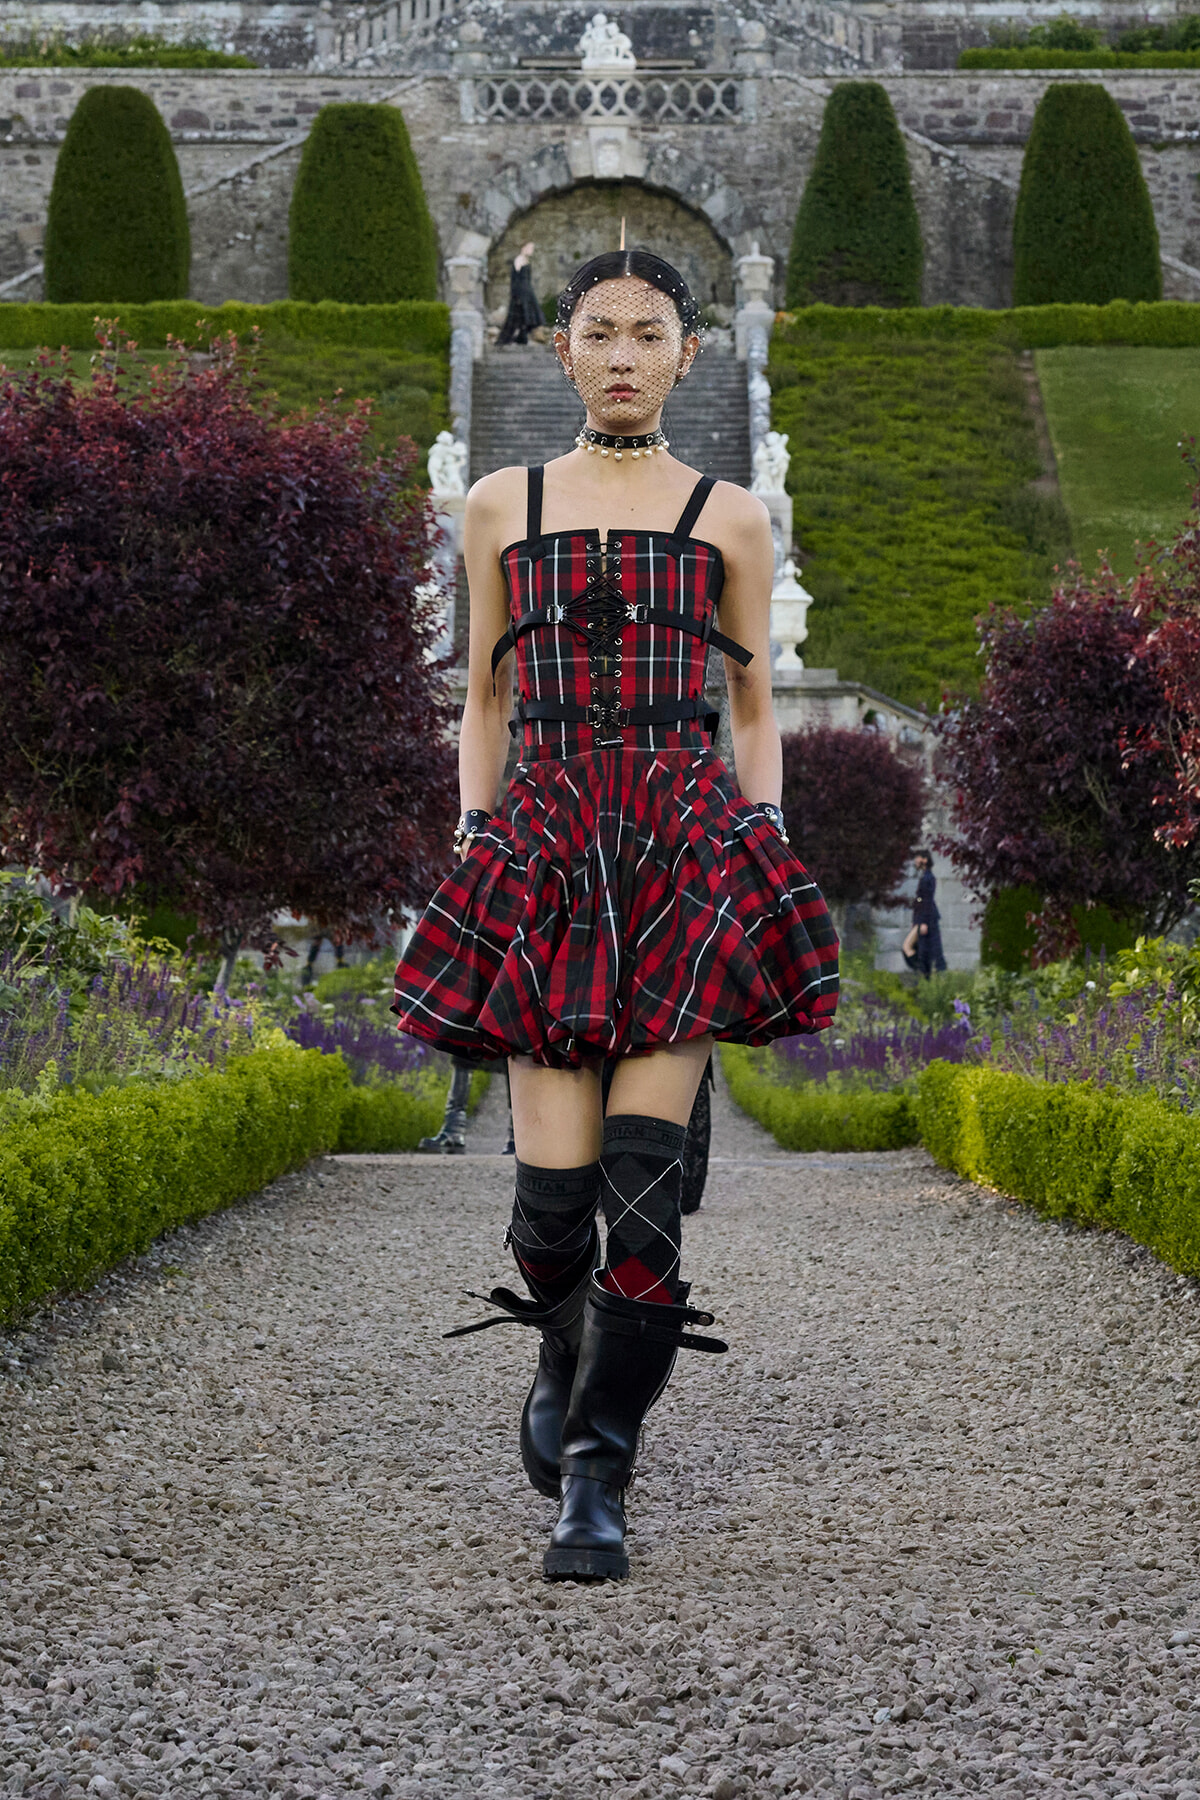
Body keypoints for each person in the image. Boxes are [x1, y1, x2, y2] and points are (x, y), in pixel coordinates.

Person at [392, 248, 839, 1582]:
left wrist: (758, 831)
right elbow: (482, 700)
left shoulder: (732, 518)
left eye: (654, 332)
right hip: (543, 849)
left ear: (690, 355)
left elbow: (754, 713)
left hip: (682, 854)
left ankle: (599, 1470)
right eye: (604, 332)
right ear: (563, 349)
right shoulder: (497, 504)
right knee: (550, 1205)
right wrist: (479, 838)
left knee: (643, 1207)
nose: (629, 354)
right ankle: (554, 1342)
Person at [901, 849, 946, 977]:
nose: (916, 861)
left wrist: (922, 922)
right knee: (915, 947)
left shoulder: (928, 878)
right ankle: (922, 971)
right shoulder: (925, 877)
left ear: (925, 860)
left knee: (910, 947)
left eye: (918, 858)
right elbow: (922, 901)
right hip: (922, 918)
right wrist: (915, 921)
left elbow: (926, 901)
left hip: (926, 918)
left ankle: (922, 971)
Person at [496, 242, 546, 347]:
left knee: (526, 315)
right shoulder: (519, 260)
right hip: (521, 292)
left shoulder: (526, 260)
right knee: (516, 316)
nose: (532, 250)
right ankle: (509, 339)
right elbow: (515, 279)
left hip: (527, 291)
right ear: (524, 248)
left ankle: (522, 338)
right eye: (530, 248)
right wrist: (516, 294)